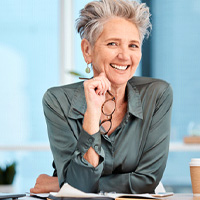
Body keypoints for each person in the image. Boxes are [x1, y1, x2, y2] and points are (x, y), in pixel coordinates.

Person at [30, 0, 173, 194]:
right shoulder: (57, 101)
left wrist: (61, 184)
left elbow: (148, 180)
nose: (124, 55)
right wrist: (92, 114)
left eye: (133, 45)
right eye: (113, 43)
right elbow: (79, 185)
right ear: (87, 50)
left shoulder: (157, 95)